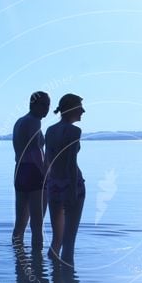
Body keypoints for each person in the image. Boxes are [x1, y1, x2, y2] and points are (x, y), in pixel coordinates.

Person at [45, 93, 85, 266]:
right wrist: (72, 192)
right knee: (69, 243)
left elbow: (47, 161)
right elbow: (70, 162)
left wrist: (48, 185)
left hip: (53, 185)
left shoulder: (50, 130)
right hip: (71, 184)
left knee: (56, 241)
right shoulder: (74, 131)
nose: (83, 110)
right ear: (71, 109)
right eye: (80, 107)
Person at [12, 91, 50, 250]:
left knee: (20, 222)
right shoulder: (34, 122)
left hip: (20, 171)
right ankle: (38, 263)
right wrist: (45, 173)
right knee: (37, 224)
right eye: (44, 105)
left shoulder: (19, 121)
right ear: (34, 104)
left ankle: (19, 263)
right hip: (33, 171)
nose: (47, 109)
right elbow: (35, 150)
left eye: (49, 105)